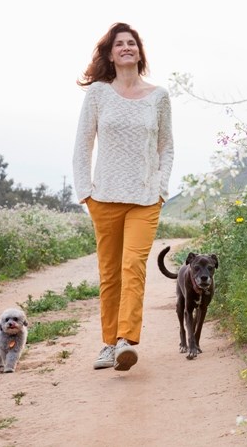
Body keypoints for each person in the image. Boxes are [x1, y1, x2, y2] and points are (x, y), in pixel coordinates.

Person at [72, 22, 174, 371]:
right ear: (110, 54)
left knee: (133, 267)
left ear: (139, 52)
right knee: (110, 273)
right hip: (104, 197)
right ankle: (107, 342)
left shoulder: (159, 97)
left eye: (133, 43)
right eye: (120, 44)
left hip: (145, 198)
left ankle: (125, 342)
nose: (127, 48)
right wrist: (85, 191)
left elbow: (166, 147)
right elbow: (83, 144)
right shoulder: (98, 94)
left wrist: (161, 187)